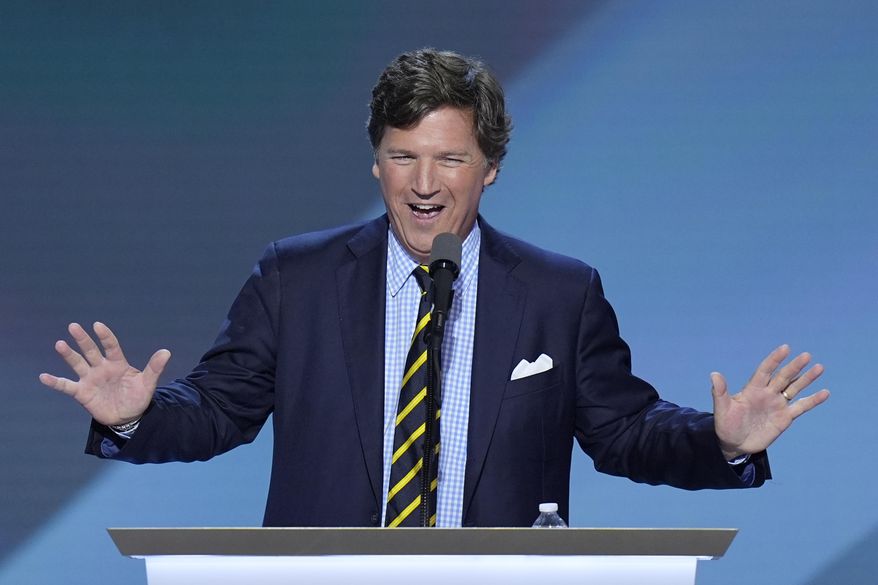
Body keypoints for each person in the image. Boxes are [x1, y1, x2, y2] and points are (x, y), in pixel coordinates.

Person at [39, 49, 829, 528]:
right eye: (401, 155)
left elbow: (626, 433)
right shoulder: (298, 278)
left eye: (449, 159)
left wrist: (724, 441)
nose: (424, 183)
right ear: (375, 163)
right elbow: (217, 411)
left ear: (490, 168)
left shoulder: (560, 293)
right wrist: (139, 414)